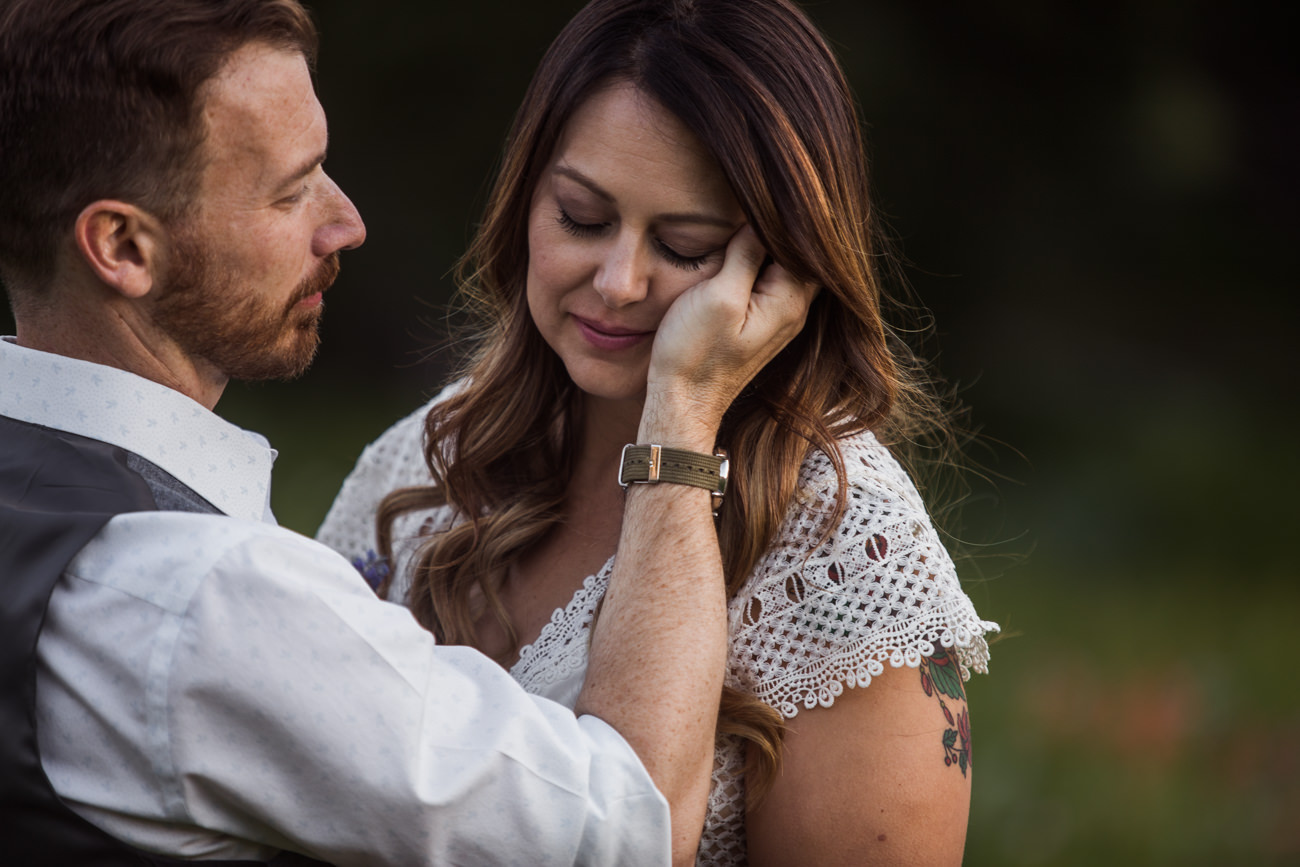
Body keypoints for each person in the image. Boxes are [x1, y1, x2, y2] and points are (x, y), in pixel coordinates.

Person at [0, 1, 815, 864]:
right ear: (123, 245)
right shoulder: (201, 598)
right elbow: (624, 826)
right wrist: (683, 417)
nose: (344, 220)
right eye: (292, 188)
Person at [317, 0, 1001, 864]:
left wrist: (684, 408)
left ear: (786, 265)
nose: (618, 280)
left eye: (685, 245)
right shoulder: (429, 455)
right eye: (582, 217)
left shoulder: (845, 543)